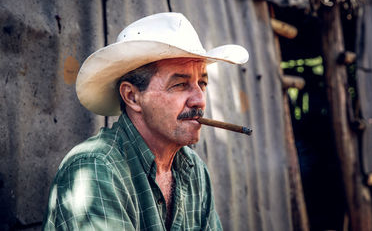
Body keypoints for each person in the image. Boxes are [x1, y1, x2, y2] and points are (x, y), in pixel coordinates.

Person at [42, 12, 249, 230]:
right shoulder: (95, 168)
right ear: (132, 97)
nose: (199, 101)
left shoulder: (194, 169)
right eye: (179, 84)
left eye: (203, 83)